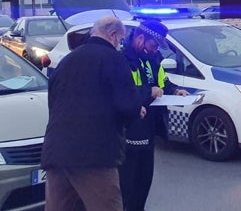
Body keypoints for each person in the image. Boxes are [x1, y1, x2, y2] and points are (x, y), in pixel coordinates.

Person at [42, 16, 144, 211]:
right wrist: (137, 110)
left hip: (57, 151)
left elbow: (53, 102)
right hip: (94, 155)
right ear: (113, 35)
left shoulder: (67, 60)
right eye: (121, 40)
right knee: (107, 205)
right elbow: (127, 105)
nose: (120, 45)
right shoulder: (114, 59)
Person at [119, 19, 189, 211]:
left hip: (149, 127)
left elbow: (162, 82)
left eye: (158, 46)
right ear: (140, 38)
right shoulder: (123, 59)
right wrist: (148, 92)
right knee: (128, 186)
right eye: (153, 44)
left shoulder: (154, 57)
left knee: (144, 181)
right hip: (130, 128)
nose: (155, 48)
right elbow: (122, 93)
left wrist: (175, 91)